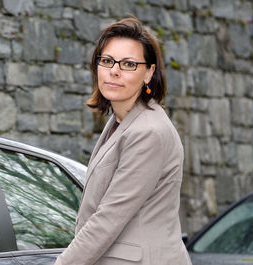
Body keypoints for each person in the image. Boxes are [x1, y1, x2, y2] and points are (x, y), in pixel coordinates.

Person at [54, 16, 192, 265]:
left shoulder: (148, 132)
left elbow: (109, 217)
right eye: (107, 61)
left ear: (149, 73)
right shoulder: (122, 121)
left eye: (128, 64)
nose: (114, 71)